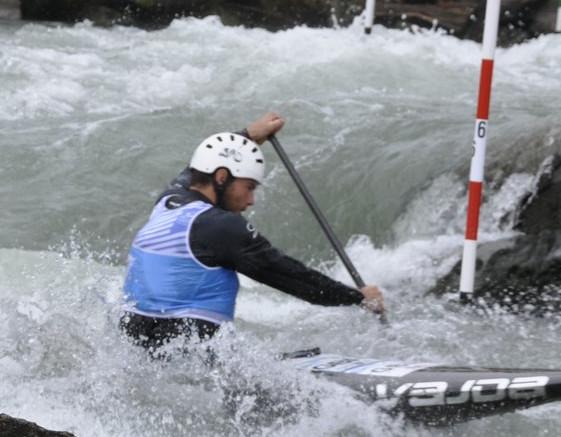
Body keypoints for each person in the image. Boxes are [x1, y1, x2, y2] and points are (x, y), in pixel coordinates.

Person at [119, 114, 385, 351]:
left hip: (134, 351)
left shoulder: (168, 202)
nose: (250, 201)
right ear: (222, 178)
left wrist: (247, 136)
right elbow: (293, 278)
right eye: (249, 187)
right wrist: (358, 298)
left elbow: (193, 170)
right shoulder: (219, 227)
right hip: (189, 364)